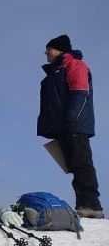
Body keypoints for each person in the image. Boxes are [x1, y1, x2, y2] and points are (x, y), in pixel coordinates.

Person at [37, 34, 102, 218]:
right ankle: (84, 204)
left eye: (49, 48)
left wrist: (72, 119)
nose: (46, 52)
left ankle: (92, 206)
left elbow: (81, 92)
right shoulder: (56, 70)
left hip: (75, 124)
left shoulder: (74, 64)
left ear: (59, 49)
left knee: (82, 163)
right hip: (64, 126)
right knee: (73, 165)